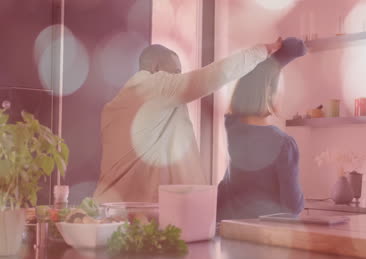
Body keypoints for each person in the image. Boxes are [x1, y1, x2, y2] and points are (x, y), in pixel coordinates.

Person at [93, 38, 283, 203]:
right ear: (156, 69)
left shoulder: (115, 105)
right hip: (138, 215)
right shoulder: (155, 86)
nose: (178, 77)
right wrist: (261, 51)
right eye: (176, 72)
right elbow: (214, 75)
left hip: (110, 209)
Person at [217, 37, 307, 221]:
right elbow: (292, 206)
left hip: (229, 230)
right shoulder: (285, 144)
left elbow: (252, 80)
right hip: (265, 237)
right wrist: (283, 56)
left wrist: (276, 60)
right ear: (270, 94)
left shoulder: (232, 129)